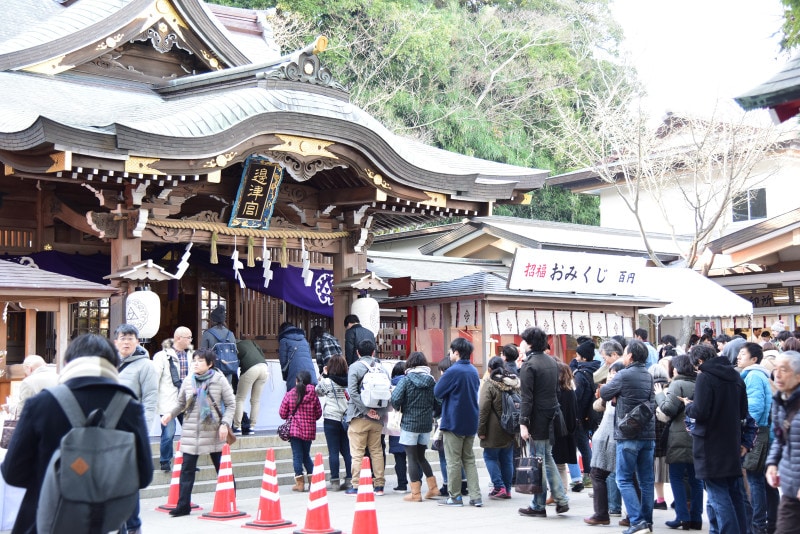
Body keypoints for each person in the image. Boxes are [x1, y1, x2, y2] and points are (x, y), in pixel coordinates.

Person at [1, 334, 153, 534]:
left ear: (67, 363)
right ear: (115, 365)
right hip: (105, 524)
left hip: (43, 521)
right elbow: (143, 476)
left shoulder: (40, 404)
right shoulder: (129, 407)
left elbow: (13, 473)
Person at [160, 349, 235, 517]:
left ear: (210, 364)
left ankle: (230, 500)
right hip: (191, 431)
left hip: (214, 431)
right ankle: (183, 506)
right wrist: (170, 414)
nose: (196, 363)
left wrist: (225, 424)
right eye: (194, 360)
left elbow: (231, 404)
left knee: (222, 468)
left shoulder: (219, 380)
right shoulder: (188, 380)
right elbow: (180, 403)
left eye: (200, 361)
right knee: (186, 469)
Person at [685, 343, 750, 534]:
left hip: (710, 443)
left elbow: (701, 412)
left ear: (699, 361)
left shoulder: (706, 377)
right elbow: (744, 411)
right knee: (734, 492)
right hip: (731, 440)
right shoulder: (735, 376)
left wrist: (689, 406)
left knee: (717, 492)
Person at [600, 339, 655, 534]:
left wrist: (610, 386)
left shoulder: (623, 375)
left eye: (624, 352)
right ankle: (647, 521)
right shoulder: (648, 376)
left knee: (623, 479)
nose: (623, 355)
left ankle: (637, 521)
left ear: (630, 356)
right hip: (648, 435)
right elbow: (653, 402)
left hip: (628, 433)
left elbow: (605, 393)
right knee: (646, 480)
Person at [517, 326, 569, 518]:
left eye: (523, 340)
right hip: (552, 415)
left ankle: (538, 505)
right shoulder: (551, 361)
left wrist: (523, 423)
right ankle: (561, 499)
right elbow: (556, 392)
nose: (521, 343)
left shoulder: (529, 365)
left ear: (529, 343)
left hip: (537, 418)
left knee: (539, 460)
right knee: (547, 458)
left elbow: (526, 398)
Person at [114, 323, 158, 534]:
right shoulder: (109, 364)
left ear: (138, 342)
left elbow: (150, 401)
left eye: (130, 338)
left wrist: (144, 431)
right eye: (122, 338)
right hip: (110, 433)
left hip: (132, 432)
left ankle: (132, 527)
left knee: (129, 483)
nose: (126, 342)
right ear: (115, 342)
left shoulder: (145, 366)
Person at [655, 354, 703, 530]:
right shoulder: (700, 382)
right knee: (696, 479)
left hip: (679, 435)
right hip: (698, 436)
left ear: (676, 369)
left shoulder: (677, 384)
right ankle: (696, 517)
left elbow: (668, 408)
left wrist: (659, 395)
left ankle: (682, 517)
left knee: (676, 476)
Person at [434, 337, 483, 507]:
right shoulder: (473, 370)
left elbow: (438, 392)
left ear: (456, 352)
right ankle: (476, 496)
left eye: (451, 351)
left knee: (453, 460)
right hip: (470, 420)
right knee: (468, 459)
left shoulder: (453, 371)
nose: (450, 353)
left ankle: (455, 497)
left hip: (454, 419)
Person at [391, 351, 440, 502]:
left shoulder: (406, 380)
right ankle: (433, 488)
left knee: (411, 458)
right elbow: (438, 403)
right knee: (421, 457)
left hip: (409, 424)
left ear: (410, 364)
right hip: (425, 424)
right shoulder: (432, 380)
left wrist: (402, 406)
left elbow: (395, 399)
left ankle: (416, 493)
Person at [345, 338, 390, 496]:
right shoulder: (381, 368)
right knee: (376, 451)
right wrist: (378, 412)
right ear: (373, 352)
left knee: (357, 452)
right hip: (377, 417)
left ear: (357, 352)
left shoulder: (355, 367)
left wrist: (365, 410)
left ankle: (356, 485)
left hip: (358, 418)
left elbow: (352, 391)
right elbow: (388, 391)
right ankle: (379, 485)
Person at [738, 342, 774, 534]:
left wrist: (746, 427)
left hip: (757, 432)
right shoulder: (759, 375)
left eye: (742, 354)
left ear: (754, 359)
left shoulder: (753, 376)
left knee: (755, 479)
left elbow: (755, 407)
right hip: (763, 430)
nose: (738, 357)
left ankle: (758, 524)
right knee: (763, 480)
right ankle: (770, 522)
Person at [585, 359, 625, 526]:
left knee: (600, 474)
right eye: (610, 373)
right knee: (626, 477)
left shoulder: (619, 390)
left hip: (610, 437)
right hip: (609, 437)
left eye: (613, 373)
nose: (610, 377)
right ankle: (630, 514)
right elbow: (597, 406)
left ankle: (603, 513)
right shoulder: (610, 390)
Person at [766, 350, 800, 533]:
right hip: (790, 487)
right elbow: (779, 438)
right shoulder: (779, 400)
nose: (777, 374)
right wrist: (772, 463)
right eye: (776, 369)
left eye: (784, 369)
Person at [478, 356, 519, 500]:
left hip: (493, 429)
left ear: (489, 369)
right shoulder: (512, 383)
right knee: (507, 459)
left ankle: (498, 486)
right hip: (510, 428)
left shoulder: (489, 384)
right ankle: (507, 489)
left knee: (490, 457)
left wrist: (481, 430)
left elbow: (483, 409)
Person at [152, 326, 193, 472]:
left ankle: (189, 463)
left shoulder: (191, 356)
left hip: (186, 400)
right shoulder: (161, 356)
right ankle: (165, 461)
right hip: (168, 401)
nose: (190, 340)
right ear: (178, 338)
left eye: (190, 337)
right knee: (168, 434)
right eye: (188, 337)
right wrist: (151, 398)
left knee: (191, 432)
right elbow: (154, 378)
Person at [280, 370, 322, 492]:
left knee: (297, 456)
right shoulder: (313, 395)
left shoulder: (290, 394)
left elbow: (282, 413)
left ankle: (300, 484)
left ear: (297, 381)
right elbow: (318, 413)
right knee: (306, 455)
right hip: (309, 430)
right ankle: (313, 481)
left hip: (294, 430)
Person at [316, 354, 353, 491]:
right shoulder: (349, 381)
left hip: (331, 418)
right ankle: (350, 479)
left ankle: (335, 481)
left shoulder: (327, 381)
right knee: (347, 451)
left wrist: (324, 376)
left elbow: (317, 391)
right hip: (345, 418)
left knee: (333, 451)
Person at [573, 339, 600, 489]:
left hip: (580, 415)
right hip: (595, 412)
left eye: (577, 355)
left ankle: (588, 476)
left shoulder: (580, 374)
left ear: (583, 357)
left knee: (583, 446)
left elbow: (577, 397)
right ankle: (593, 474)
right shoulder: (598, 369)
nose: (576, 358)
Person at [552, 362, 579, 496]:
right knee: (561, 465)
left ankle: (558, 492)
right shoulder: (570, 392)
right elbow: (574, 414)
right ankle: (562, 491)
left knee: (554, 464)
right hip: (567, 433)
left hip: (556, 432)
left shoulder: (554, 392)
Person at [233, 334, 269, 435]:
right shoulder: (250, 342)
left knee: (239, 399)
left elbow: (233, 363)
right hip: (264, 367)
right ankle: (252, 427)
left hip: (251, 369)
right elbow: (261, 353)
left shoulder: (234, 346)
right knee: (255, 400)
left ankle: (237, 427)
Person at [200, 305, 237, 384]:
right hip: (228, 370)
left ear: (212, 320)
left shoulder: (207, 334)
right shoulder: (231, 334)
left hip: (213, 371)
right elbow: (235, 352)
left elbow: (202, 354)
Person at [387, 361, 409, 494]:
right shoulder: (411, 383)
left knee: (399, 457)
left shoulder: (390, 385)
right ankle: (416, 482)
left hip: (395, 424)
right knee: (414, 456)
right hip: (410, 423)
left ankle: (402, 484)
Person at [278, 322, 317, 391]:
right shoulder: (304, 340)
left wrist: (286, 377)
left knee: (295, 398)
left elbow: (283, 361)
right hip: (310, 374)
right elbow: (309, 357)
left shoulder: (284, 340)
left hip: (295, 374)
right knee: (309, 398)